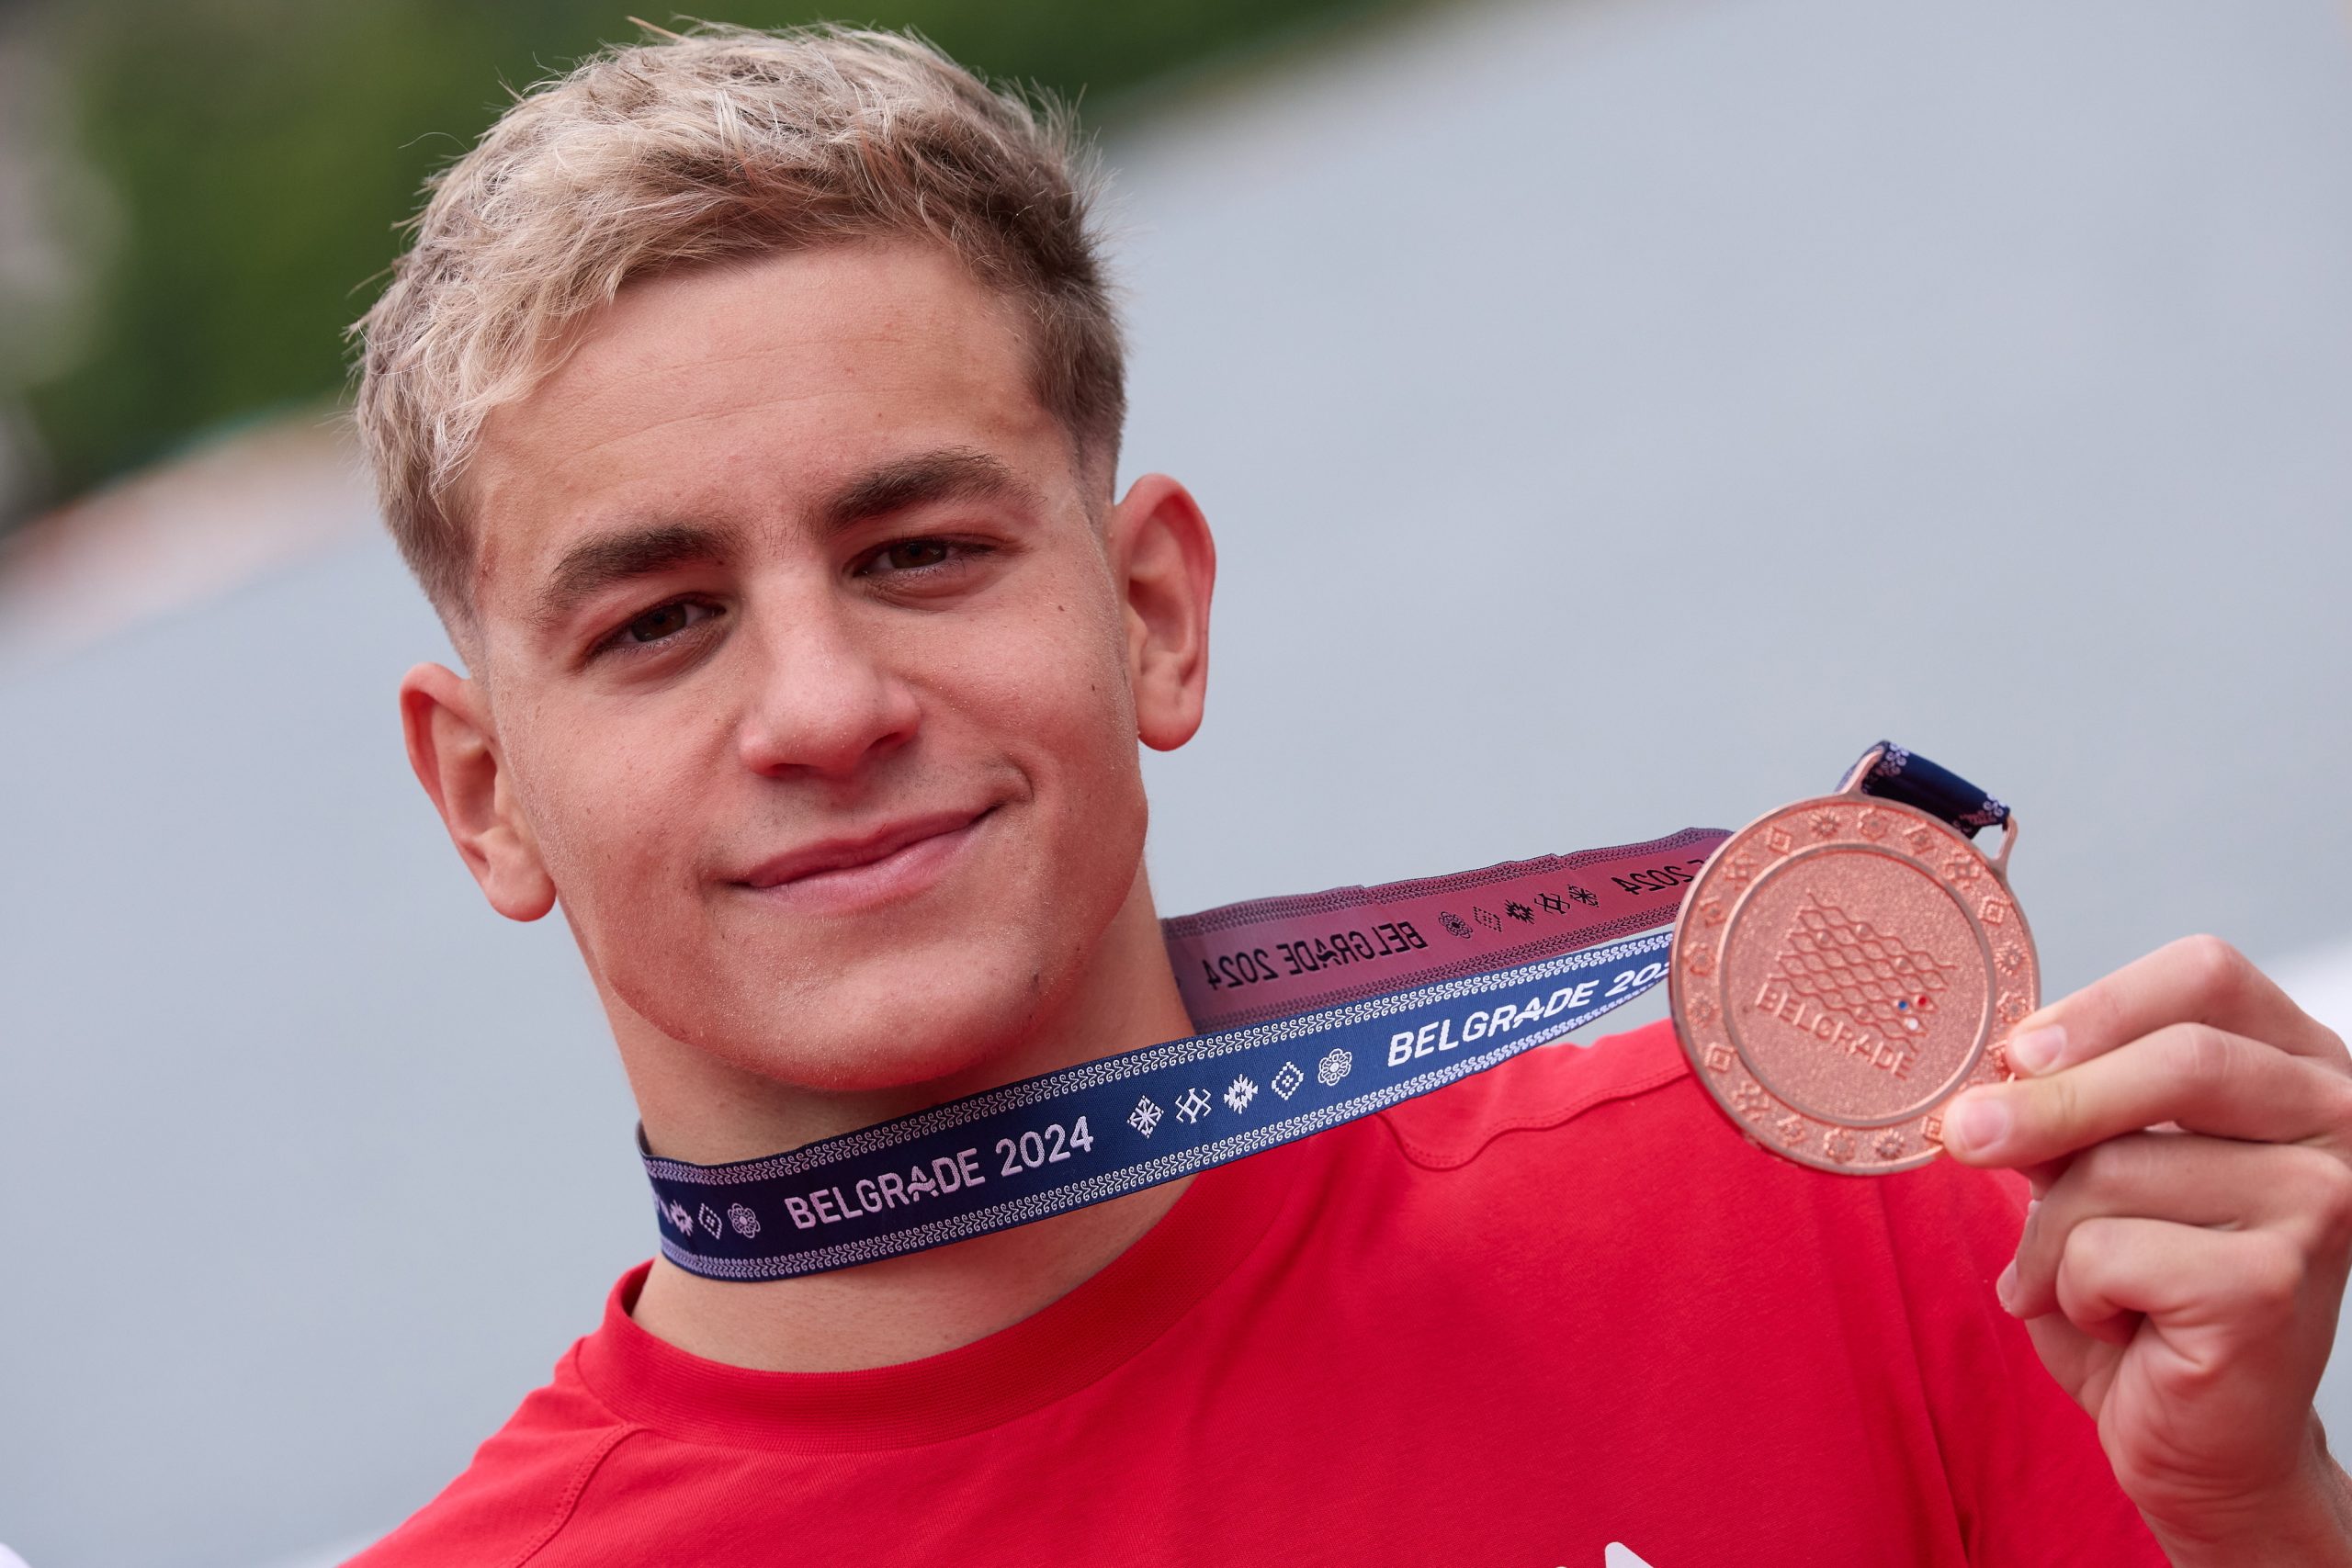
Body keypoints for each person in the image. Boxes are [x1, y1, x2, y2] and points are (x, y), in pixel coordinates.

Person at [344, 23, 2352, 1566]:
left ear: (1151, 611)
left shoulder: (1828, 1198)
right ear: (484, 791)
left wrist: (2249, 1512)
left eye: (919, 552)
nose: (823, 704)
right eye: (659, 621)